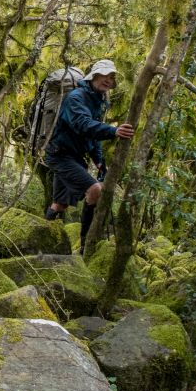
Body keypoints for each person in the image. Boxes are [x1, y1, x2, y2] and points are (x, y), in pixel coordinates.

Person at [43, 59, 135, 252]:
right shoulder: (76, 97)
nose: (108, 80)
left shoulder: (99, 102)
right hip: (59, 154)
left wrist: (100, 162)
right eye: (105, 75)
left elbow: (92, 139)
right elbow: (82, 124)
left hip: (74, 156)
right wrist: (114, 131)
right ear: (94, 76)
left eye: (112, 77)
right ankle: (85, 246)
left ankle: (45, 238)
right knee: (94, 189)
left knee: (60, 204)